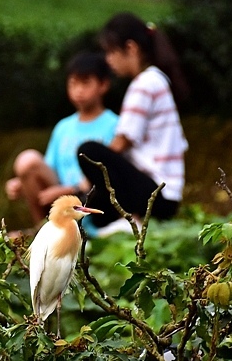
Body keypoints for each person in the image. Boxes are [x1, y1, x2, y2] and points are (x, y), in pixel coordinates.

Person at [77, 12, 189, 235]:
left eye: (111, 52)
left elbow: (120, 144)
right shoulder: (156, 79)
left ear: (131, 48)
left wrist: (80, 183)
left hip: (157, 194)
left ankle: (132, 218)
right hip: (165, 195)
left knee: (88, 151)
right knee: (97, 210)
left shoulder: (145, 84)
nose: (108, 60)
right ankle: (124, 218)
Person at [5, 52, 118, 229]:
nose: (78, 90)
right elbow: (49, 169)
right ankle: (42, 230)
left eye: (85, 83)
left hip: (95, 204)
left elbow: (111, 176)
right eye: (73, 83)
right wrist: (22, 182)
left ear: (103, 85)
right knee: (27, 161)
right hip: (59, 202)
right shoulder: (63, 127)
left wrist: (68, 191)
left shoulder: (115, 125)